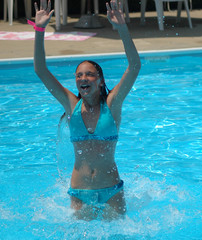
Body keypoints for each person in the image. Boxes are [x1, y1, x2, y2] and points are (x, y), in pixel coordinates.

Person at [32, 0, 141, 219]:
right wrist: (40, 29)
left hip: (111, 191)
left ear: (100, 81)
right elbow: (41, 70)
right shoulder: (71, 105)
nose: (83, 78)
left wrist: (122, 28)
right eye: (79, 75)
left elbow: (135, 65)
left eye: (89, 74)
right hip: (80, 193)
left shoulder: (112, 105)